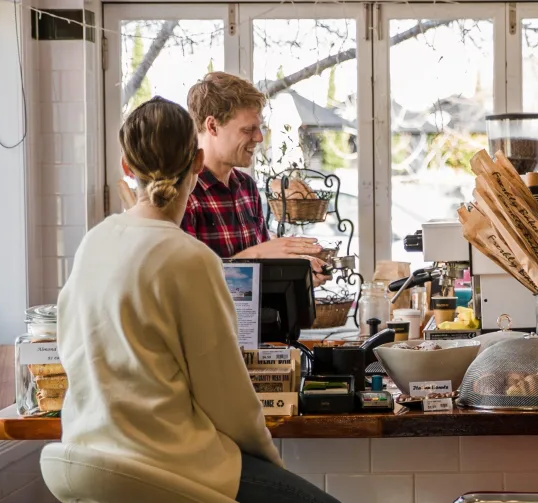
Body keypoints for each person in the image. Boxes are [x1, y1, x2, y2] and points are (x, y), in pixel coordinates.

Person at [58, 97, 339, 503]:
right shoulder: (191, 258)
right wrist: (270, 464)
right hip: (170, 465)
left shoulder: (93, 242)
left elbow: (71, 349)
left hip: (90, 460)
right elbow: (227, 399)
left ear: (127, 167)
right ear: (196, 162)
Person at [182, 72, 328, 277]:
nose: (259, 137)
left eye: (259, 128)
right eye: (248, 130)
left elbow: (259, 277)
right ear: (212, 126)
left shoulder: (247, 186)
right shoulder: (183, 193)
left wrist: (297, 273)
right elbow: (186, 281)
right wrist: (256, 254)